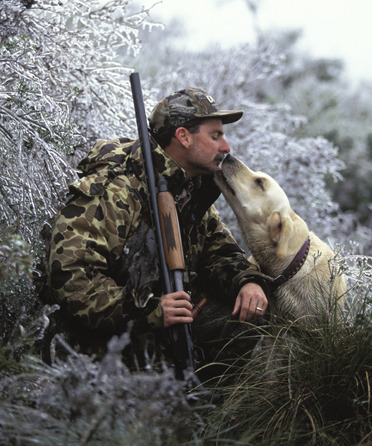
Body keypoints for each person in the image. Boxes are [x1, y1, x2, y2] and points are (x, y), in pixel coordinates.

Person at [46, 88, 268, 370]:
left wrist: (247, 281)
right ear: (183, 137)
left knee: (249, 315)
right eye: (216, 136)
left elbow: (219, 250)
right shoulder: (115, 191)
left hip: (163, 328)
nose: (226, 148)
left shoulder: (189, 190)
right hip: (105, 339)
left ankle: (210, 406)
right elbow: (71, 278)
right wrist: (150, 312)